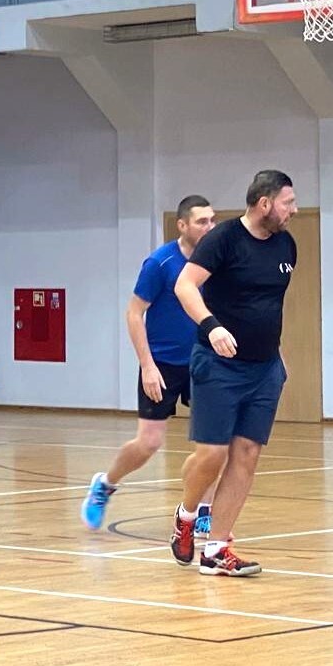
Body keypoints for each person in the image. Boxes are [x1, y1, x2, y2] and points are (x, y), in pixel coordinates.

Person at [170, 170, 298, 577]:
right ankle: (187, 515)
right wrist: (212, 326)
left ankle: (216, 549)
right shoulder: (223, 239)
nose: (293, 210)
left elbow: (268, 307)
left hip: (265, 369)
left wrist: (277, 356)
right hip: (219, 365)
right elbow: (185, 286)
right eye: (288, 202)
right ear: (264, 204)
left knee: (247, 454)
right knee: (212, 454)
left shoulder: (286, 245)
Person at [82, 195, 216, 530]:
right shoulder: (160, 263)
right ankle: (105, 484)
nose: (209, 227)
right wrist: (147, 365)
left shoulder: (216, 261)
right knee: (149, 443)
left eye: (212, 220)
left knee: (215, 444)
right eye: (202, 221)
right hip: (163, 363)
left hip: (204, 361)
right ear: (182, 225)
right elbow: (134, 313)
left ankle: (204, 509)